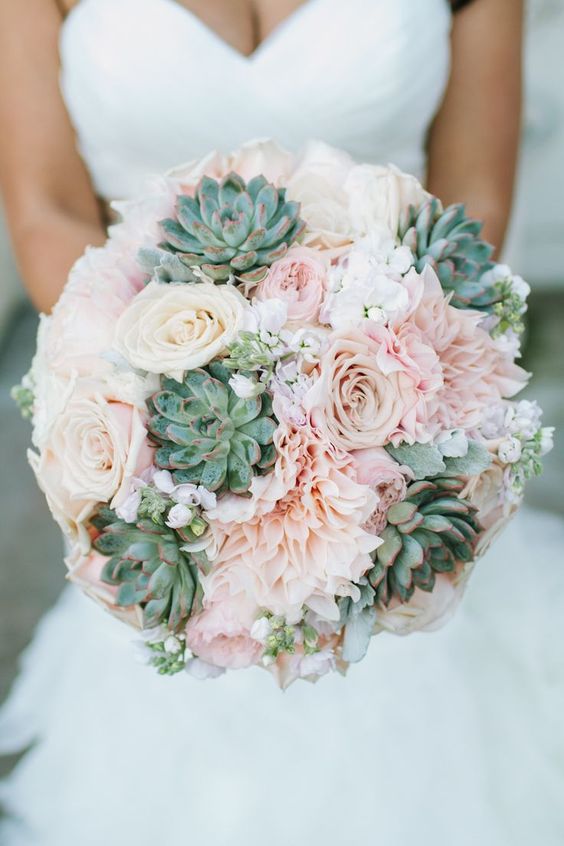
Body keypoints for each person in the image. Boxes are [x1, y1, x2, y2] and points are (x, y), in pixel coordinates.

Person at [0, 2, 562, 844]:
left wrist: (368, 381)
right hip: (162, 413)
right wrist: (166, 390)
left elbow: (474, 196)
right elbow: (47, 205)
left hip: (393, 416)